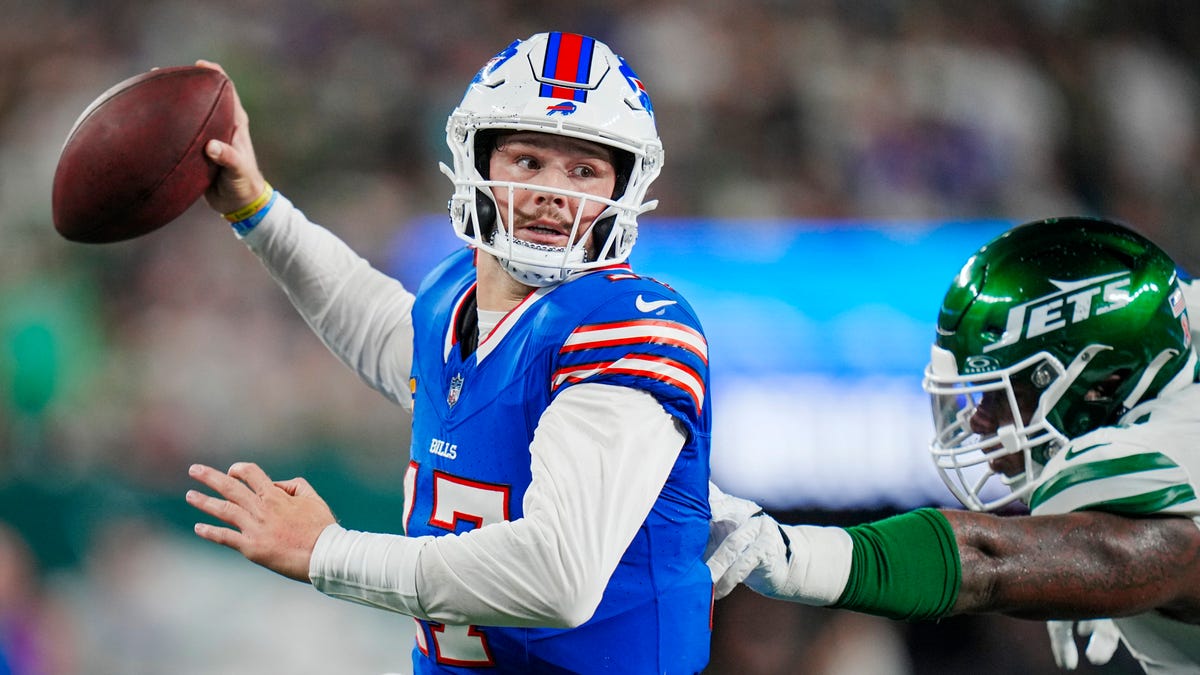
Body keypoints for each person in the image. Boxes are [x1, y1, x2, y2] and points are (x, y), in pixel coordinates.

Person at [185, 32, 714, 673]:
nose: (554, 191)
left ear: (623, 190)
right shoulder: (451, 299)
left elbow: (558, 576)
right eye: (527, 160)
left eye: (584, 170)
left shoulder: (627, 327)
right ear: (477, 162)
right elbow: (374, 324)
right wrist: (255, 208)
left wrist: (325, 550)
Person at [706, 217, 1200, 674]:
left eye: (1008, 393)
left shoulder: (1168, 465)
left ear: (1102, 383)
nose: (979, 420)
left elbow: (990, 563)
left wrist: (793, 557)